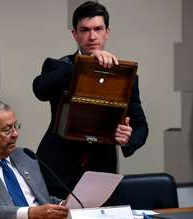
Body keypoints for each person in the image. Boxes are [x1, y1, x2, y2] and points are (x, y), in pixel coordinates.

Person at [32, 1, 148, 199]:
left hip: (102, 171)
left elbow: (141, 127)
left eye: (98, 29)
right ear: (74, 34)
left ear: (107, 32)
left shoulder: (126, 76)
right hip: (57, 169)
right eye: (84, 30)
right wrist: (84, 64)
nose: (92, 36)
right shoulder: (58, 66)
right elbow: (40, 89)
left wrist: (128, 138)